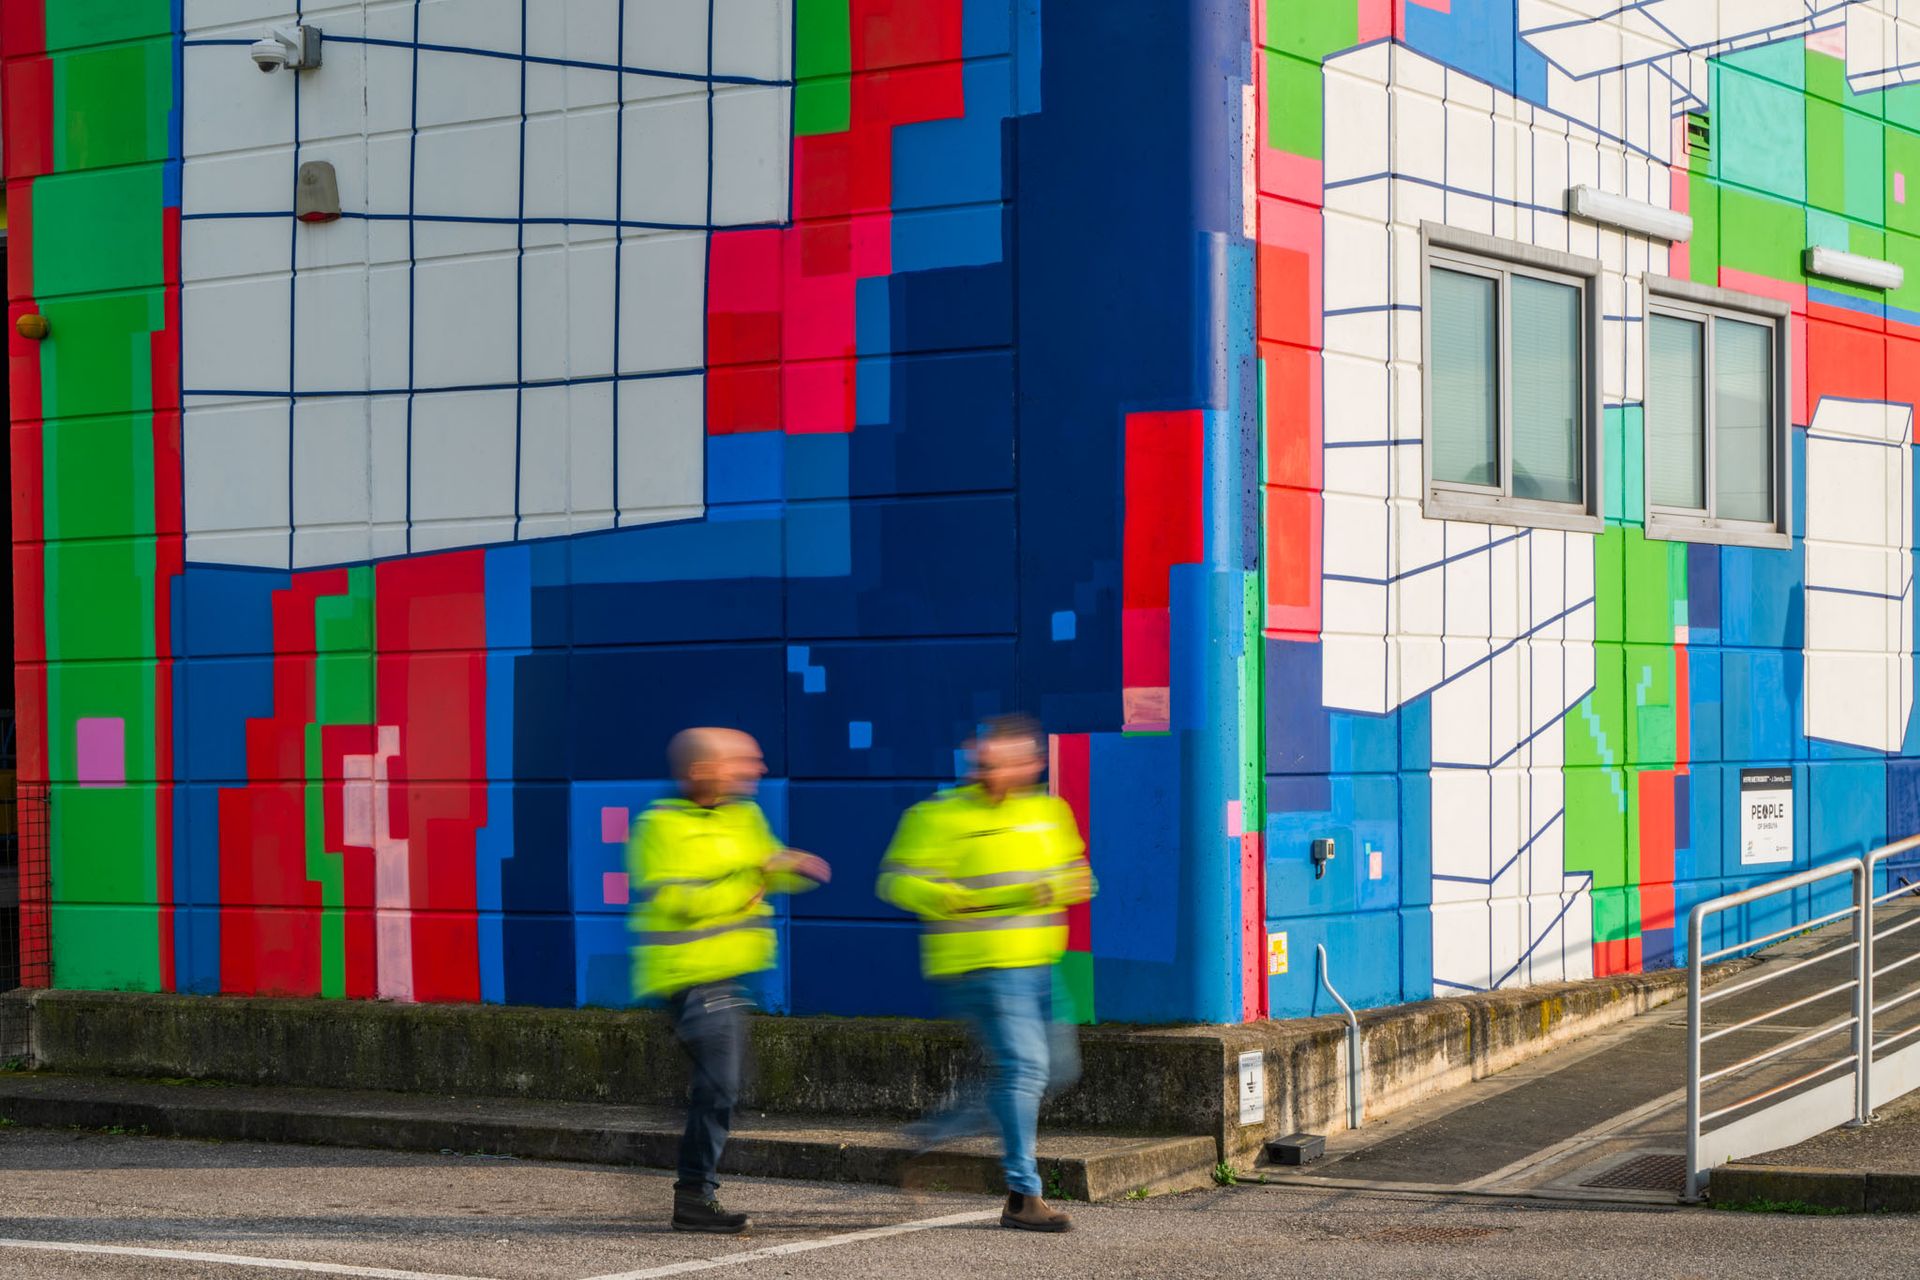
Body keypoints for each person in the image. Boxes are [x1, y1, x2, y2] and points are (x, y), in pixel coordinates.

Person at [876, 714, 1096, 1233]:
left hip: (1041, 964)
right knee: (1023, 1070)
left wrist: (1062, 885)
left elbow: (1079, 876)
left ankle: (934, 1134)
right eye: (990, 759)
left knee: (1055, 1071)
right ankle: (1023, 1194)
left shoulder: (1048, 812)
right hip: (981, 967)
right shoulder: (938, 815)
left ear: (1030, 764)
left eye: (1012, 760)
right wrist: (950, 898)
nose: (997, 769)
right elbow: (895, 882)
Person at [629, 727, 830, 1235]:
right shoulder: (659, 825)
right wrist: (751, 875)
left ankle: (695, 1193)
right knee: (720, 1086)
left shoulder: (745, 816)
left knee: (722, 1086)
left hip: (725, 977)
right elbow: (677, 902)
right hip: (689, 976)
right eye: (742, 760)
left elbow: (766, 870)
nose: (756, 769)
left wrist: (790, 867)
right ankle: (694, 1196)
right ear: (702, 770)